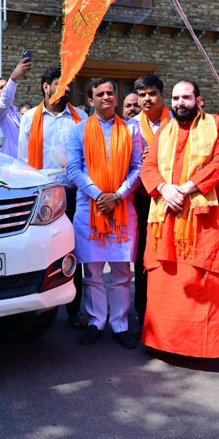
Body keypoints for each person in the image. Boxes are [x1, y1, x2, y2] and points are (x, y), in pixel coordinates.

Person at [140, 79, 219, 358]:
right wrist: (165, 189)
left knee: (203, 280)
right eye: (176, 98)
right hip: (166, 215)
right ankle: (163, 343)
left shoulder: (215, 124)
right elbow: (149, 167)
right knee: (164, 283)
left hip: (201, 218)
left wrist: (186, 188)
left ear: (199, 100)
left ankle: (203, 347)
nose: (180, 103)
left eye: (186, 98)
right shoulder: (164, 130)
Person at [66, 78, 142, 347]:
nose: (107, 97)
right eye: (100, 94)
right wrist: (99, 195)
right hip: (90, 208)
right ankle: (96, 321)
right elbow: (73, 169)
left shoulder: (131, 130)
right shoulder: (78, 131)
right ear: (91, 100)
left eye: (110, 92)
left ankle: (120, 324)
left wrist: (117, 195)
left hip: (122, 207)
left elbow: (138, 168)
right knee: (93, 272)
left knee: (122, 272)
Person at [18, 68, 87, 328]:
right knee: (40, 251)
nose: (66, 89)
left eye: (68, 84)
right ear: (46, 87)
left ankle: (74, 310)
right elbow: (23, 160)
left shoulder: (80, 117)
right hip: (43, 198)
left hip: (74, 194)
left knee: (73, 251)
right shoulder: (30, 118)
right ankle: (34, 310)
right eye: (60, 84)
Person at [127, 73, 172, 330]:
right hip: (143, 199)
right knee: (144, 257)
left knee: (170, 257)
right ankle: (142, 313)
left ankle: (168, 312)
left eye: (152, 94)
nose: (147, 99)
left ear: (162, 96)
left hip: (171, 197)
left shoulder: (176, 122)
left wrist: (159, 155)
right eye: (142, 95)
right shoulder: (130, 126)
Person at [0, 57, 32, 157]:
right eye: (2, 88)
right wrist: (13, 78)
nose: (6, 89)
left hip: (22, 163)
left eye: (7, 86)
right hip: (6, 164)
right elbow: (4, 103)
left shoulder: (17, 114)